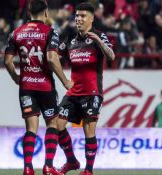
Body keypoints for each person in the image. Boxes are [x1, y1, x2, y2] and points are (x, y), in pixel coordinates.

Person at [4, 0, 72, 175]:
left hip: (26, 86)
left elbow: (7, 61)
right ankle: (48, 165)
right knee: (52, 124)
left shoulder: (16, 33)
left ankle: (27, 167)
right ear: (46, 12)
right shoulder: (50, 32)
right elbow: (51, 58)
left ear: (28, 12)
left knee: (31, 128)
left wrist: (15, 78)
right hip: (45, 86)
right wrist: (65, 80)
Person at [57, 3, 115, 175]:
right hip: (73, 93)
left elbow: (111, 56)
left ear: (92, 18)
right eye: (77, 15)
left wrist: (98, 41)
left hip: (92, 93)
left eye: (83, 16)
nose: (79, 19)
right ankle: (72, 161)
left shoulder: (99, 36)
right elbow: (54, 58)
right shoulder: (70, 39)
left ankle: (88, 170)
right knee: (57, 125)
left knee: (88, 130)